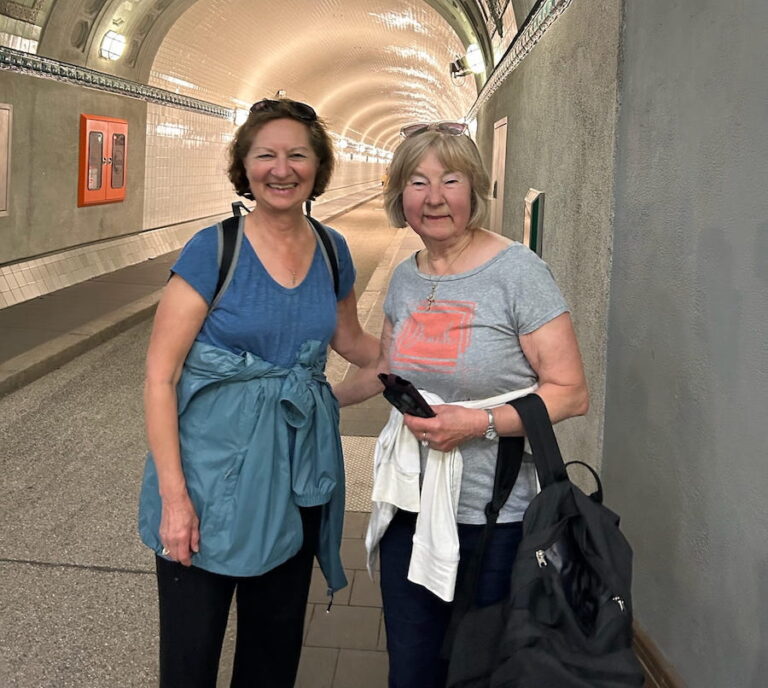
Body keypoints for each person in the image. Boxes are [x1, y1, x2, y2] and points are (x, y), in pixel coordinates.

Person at [334, 121, 589, 688]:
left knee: (479, 670)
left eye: (449, 180)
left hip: (495, 519)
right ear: (400, 195)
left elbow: (570, 391)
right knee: (411, 667)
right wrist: (322, 399)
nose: (434, 197)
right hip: (410, 507)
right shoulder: (406, 277)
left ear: (473, 188)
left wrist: (479, 423)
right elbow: (387, 368)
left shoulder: (518, 272)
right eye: (417, 182)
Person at [138, 97, 379, 688]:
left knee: (273, 654)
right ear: (244, 166)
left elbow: (353, 342)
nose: (282, 169)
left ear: (318, 167)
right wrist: (175, 500)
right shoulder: (213, 249)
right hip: (210, 481)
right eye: (266, 155)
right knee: (190, 660)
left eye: (298, 155)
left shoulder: (332, 250)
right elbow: (160, 378)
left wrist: (436, 346)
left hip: (296, 476)